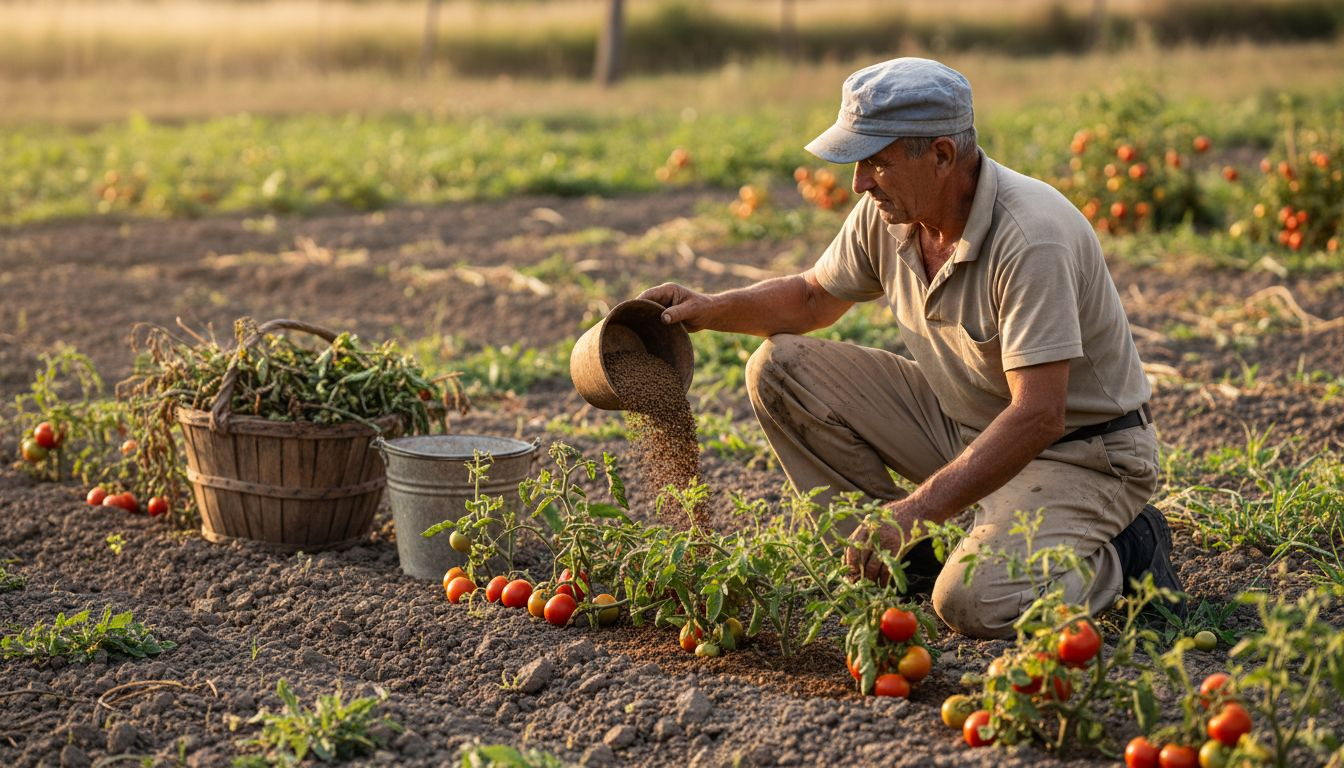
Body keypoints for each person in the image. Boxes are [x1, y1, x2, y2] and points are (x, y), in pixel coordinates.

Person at [638, 57, 1183, 639]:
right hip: (969, 423)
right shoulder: (894, 214)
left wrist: (916, 509)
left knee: (975, 604)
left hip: (1081, 452)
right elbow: (811, 297)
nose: (858, 183)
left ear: (943, 156)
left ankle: (1122, 558)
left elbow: (1040, 413)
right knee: (780, 368)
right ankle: (906, 558)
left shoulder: (1031, 238)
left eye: (875, 162)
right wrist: (705, 310)